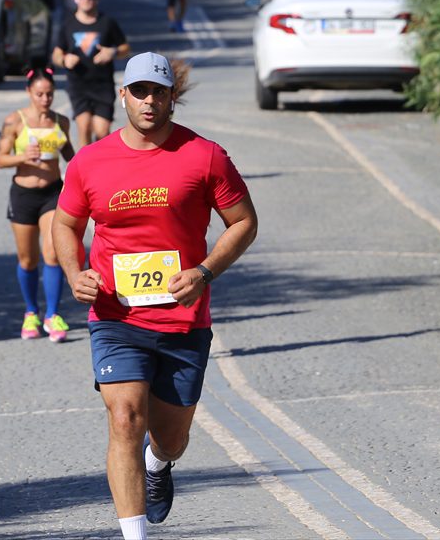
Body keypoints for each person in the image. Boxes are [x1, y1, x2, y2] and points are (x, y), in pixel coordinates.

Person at [52, 52, 259, 540]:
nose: (149, 101)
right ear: (123, 95)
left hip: (183, 321)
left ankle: (159, 463)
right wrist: (73, 271)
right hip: (115, 317)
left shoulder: (205, 155)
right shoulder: (91, 161)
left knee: (171, 437)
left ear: (172, 98)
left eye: (159, 92)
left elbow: (244, 222)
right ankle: (134, 534)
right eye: (139, 91)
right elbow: (65, 222)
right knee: (124, 417)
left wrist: (204, 272)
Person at [0, 67, 76, 341]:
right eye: (40, 94)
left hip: (53, 193)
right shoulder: (14, 121)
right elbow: (0, 159)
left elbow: (71, 156)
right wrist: (22, 157)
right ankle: (31, 312)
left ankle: (53, 315)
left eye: (50, 94)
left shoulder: (60, 121)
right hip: (23, 195)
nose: (45, 99)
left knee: (53, 253)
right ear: (29, 92)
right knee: (27, 259)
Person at [51, 0, 130, 147]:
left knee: (102, 133)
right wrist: (65, 60)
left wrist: (112, 52)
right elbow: (56, 54)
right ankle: (85, 169)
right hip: (78, 85)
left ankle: (100, 168)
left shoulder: (107, 23)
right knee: (84, 126)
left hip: (102, 85)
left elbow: (125, 48)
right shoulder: (68, 24)